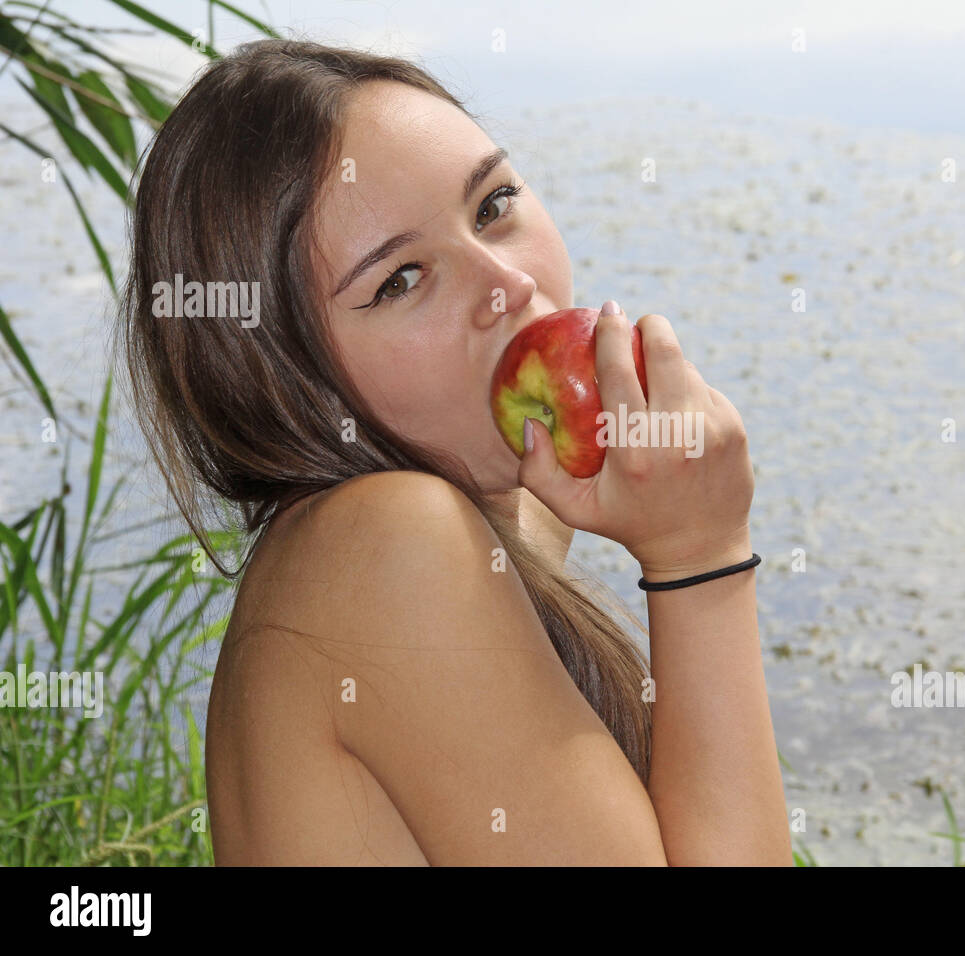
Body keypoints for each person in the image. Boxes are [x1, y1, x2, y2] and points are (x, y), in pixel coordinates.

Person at [113, 38, 788, 865]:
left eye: (493, 204)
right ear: (291, 381)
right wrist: (701, 558)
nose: (504, 282)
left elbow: (538, 515)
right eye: (399, 280)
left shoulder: (408, 532)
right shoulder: (388, 545)